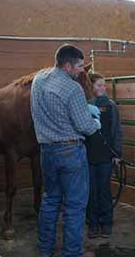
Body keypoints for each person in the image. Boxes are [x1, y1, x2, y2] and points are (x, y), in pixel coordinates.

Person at [31, 44, 100, 257]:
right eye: (79, 66)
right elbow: (85, 127)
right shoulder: (72, 88)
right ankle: (72, 253)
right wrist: (96, 121)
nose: (81, 70)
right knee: (75, 205)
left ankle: (45, 250)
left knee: (50, 200)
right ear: (68, 65)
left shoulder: (38, 80)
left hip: (46, 151)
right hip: (70, 151)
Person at [85, 72, 123, 239]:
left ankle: (106, 223)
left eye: (103, 85)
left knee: (104, 190)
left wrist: (117, 153)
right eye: (99, 85)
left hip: (106, 155)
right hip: (89, 155)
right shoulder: (85, 105)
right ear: (91, 87)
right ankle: (92, 224)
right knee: (91, 191)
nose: (103, 88)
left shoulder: (111, 106)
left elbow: (116, 130)